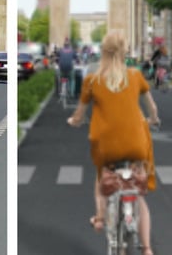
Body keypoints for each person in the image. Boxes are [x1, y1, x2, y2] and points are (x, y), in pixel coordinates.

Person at [68, 30, 159, 255]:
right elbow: (152, 108)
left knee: (101, 181)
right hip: (136, 143)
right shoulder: (136, 76)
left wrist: (74, 120)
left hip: (106, 146)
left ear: (103, 53)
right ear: (124, 52)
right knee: (139, 194)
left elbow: (79, 114)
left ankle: (99, 218)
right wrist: (153, 120)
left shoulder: (92, 80)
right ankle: (147, 248)